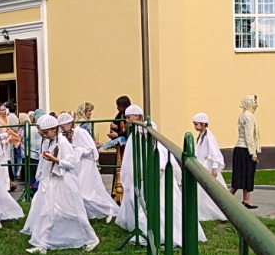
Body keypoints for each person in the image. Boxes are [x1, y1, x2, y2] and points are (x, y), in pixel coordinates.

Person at [116, 105, 206, 247]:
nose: (127, 120)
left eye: (128, 117)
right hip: (148, 176)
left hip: (159, 177)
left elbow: (161, 160)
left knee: (162, 203)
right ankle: (150, 228)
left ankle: (165, 232)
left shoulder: (155, 144)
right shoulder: (137, 135)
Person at [20, 114, 99, 255]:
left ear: (54, 130)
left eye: (46, 132)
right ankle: (42, 243)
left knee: (73, 211)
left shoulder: (62, 143)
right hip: (51, 180)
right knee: (46, 210)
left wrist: (55, 160)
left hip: (64, 182)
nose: (44, 135)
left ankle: (91, 238)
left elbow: (71, 164)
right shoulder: (49, 141)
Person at [58, 112, 119, 222]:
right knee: (78, 191)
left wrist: (77, 150)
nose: (62, 130)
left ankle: (107, 208)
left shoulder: (81, 132)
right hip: (77, 165)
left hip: (86, 165)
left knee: (85, 193)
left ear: (69, 123)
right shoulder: (66, 135)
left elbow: (92, 150)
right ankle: (82, 214)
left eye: (63, 127)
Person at [192, 113, 228, 221]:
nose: (194, 127)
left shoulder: (209, 137)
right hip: (203, 164)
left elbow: (214, 152)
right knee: (202, 191)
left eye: (196, 124)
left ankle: (218, 212)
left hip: (209, 166)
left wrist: (214, 168)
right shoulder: (202, 135)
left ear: (203, 124)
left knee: (210, 190)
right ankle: (203, 211)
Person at [229, 95, 260, 209]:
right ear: (249, 103)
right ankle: (226, 199)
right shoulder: (248, 116)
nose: (257, 104)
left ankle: (246, 200)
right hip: (244, 149)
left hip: (241, 149)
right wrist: (253, 153)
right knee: (241, 177)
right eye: (255, 102)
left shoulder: (244, 115)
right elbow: (249, 136)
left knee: (245, 176)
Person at [0, 103, 21, 192]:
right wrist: (6, 134)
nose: (4, 112)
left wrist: (9, 134)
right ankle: (6, 184)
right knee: (2, 164)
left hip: (6, 145)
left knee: (7, 163)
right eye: (2, 110)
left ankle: (9, 183)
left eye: (5, 110)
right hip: (0, 146)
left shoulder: (5, 119)